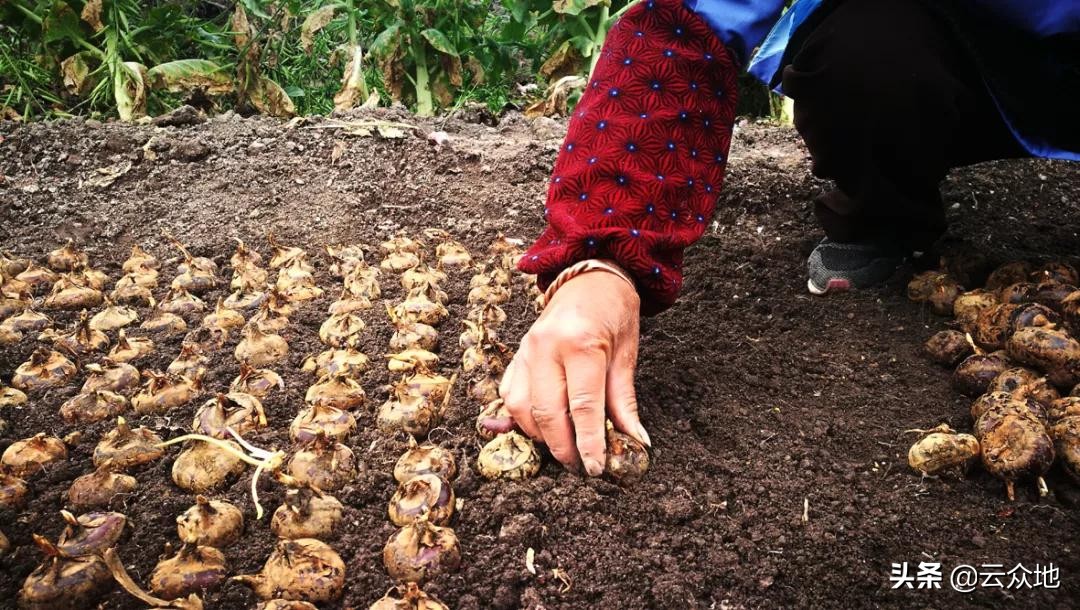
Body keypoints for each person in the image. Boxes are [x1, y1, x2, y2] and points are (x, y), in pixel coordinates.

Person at [500, 0, 1080, 475]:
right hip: (935, 39)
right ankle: (885, 211)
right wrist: (604, 255)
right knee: (864, 57)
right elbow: (690, 19)